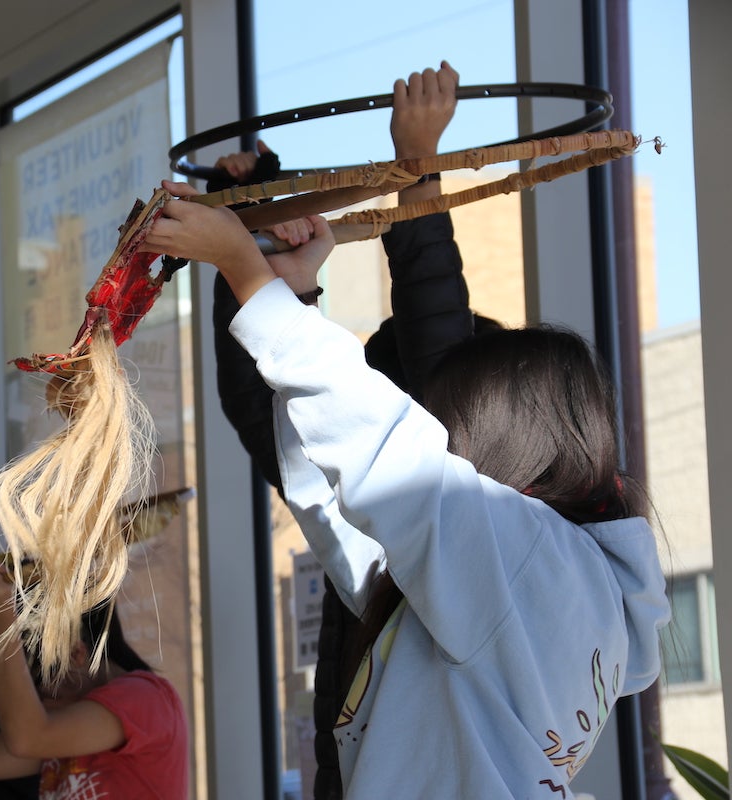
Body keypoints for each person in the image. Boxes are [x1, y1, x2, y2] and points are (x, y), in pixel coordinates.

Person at [142, 162, 671, 796]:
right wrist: (295, 294)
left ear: (506, 436)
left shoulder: (530, 558)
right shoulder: (536, 589)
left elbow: (382, 445)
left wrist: (248, 271)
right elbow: (333, 506)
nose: (444, 442)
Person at [209, 61, 501, 799]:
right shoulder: (363, 527)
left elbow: (439, 353)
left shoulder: (468, 532)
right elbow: (267, 388)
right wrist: (248, 223)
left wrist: (418, 171)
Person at [0, 556, 189, 799]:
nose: (36, 695)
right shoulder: (68, 737)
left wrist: (2, 616)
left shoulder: (147, 699)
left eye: (38, 677)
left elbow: (28, 737)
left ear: (76, 652)